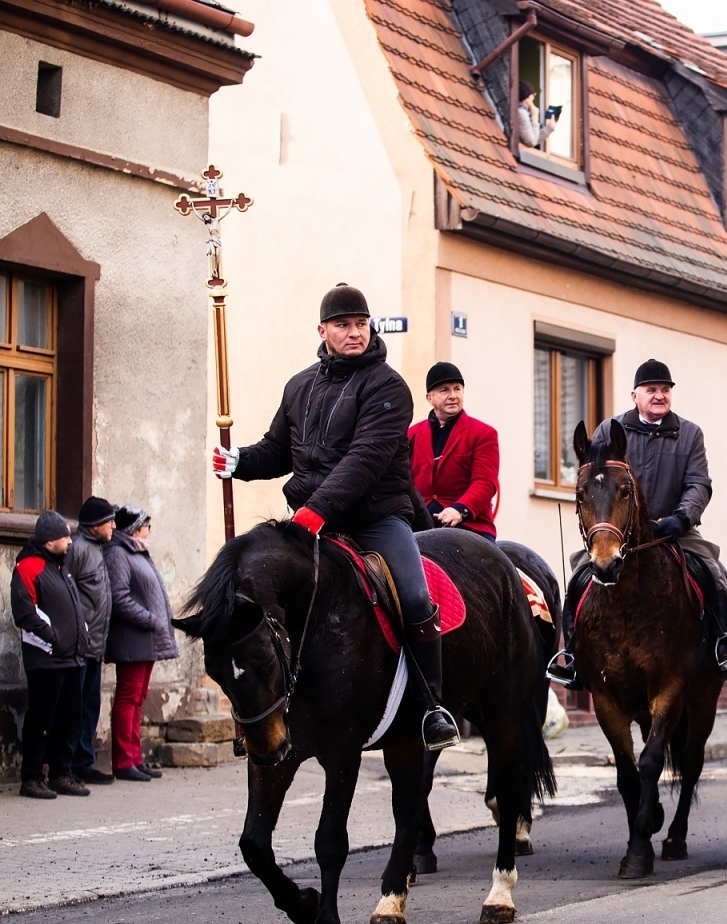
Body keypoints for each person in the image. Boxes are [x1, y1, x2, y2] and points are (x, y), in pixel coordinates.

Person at [211, 283, 461, 750]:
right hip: (310, 520)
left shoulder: (388, 386)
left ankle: (432, 707)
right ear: (322, 330)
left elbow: (364, 460)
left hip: (375, 520)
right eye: (344, 325)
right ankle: (268, 706)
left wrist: (317, 511)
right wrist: (240, 461)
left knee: (414, 596)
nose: (354, 333)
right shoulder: (299, 385)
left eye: (361, 324)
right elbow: (278, 450)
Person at [546, 358, 727, 686]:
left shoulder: (690, 434)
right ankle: (572, 658)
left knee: (715, 575)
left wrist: (682, 517)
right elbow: (596, 480)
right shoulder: (609, 430)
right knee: (579, 578)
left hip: (673, 531)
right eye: (651, 390)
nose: (659, 396)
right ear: (634, 395)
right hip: (617, 532)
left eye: (665, 390)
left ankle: (723, 644)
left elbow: (699, 483)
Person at [10, 510, 89, 800]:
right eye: (64, 537)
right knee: (41, 720)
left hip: (70, 657)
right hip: (46, 658)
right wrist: (53, 638)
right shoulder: (29, 567)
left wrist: (83, 634)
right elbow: (25, 612)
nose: (70, 541)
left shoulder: (60, 568)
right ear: (48, 541)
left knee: (69, 718)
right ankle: (31, 777)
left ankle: (61, 773)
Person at [103, 506, 179, 782]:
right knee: (128, 697)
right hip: (132, 637)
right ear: (134, 529)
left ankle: (134, 757)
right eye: (147, 527)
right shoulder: (119, 554)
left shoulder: (137, 552)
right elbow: (119, 597)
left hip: (146, 638)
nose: (149, 532)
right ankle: (123, 761)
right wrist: (149, 619)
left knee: (138, 698)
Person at [407, 361, 499, 541]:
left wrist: (460, 510)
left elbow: (485, 483)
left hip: (470, 526)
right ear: (429, 397)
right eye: (444, 390)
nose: (453, 396)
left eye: (457, 389)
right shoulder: (412, 434)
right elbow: (403, 481)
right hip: (418, 525)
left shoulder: (483, 433)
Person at [65, 496, 116, 786]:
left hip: (95, 646)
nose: (113, 526)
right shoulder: (80, 549)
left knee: (89, 707)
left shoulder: (97, 549)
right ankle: (70, 764)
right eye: (109, 521)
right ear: (95, 525)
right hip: (80, 646)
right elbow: (68, 593)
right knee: (75, 707)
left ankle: (84, 763)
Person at [516, 79, 557, 149]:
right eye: (533, 95)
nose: (533, 98)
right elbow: (531, 142)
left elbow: (533, 138)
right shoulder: (521, 113)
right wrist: (535, 117)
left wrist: (549, 128)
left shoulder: (521, 111)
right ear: (528, 96)